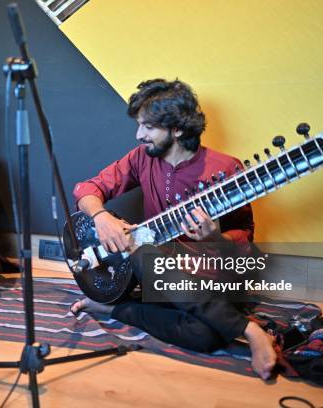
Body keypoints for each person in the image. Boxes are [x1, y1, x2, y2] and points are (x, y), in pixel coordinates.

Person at [70, 79, 277, 380]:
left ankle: (116, 310)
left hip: (210, 278)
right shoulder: (141, 158)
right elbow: (89, 189)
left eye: (148, 127)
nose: (139, 135)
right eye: (139, 125)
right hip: (161, 272)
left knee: (204, 337)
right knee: (142, 255)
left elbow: (245, 239)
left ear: (178, 129)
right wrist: (101, 216)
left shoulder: (225, 169)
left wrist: (214, 238)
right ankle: (247, 329)